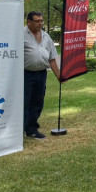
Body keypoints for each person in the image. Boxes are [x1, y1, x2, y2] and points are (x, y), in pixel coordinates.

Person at [23, 11, 60, 139]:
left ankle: (32, 129)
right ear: (29, 22)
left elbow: (52, 58)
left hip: (41, 74)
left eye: (41, 21)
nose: (40, 23)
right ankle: (21, 127)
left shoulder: (46, 36)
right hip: (25, 74)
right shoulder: (21, 34)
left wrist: (58, 76)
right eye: (37, 21)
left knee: (38, 101)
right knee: (25, 101)